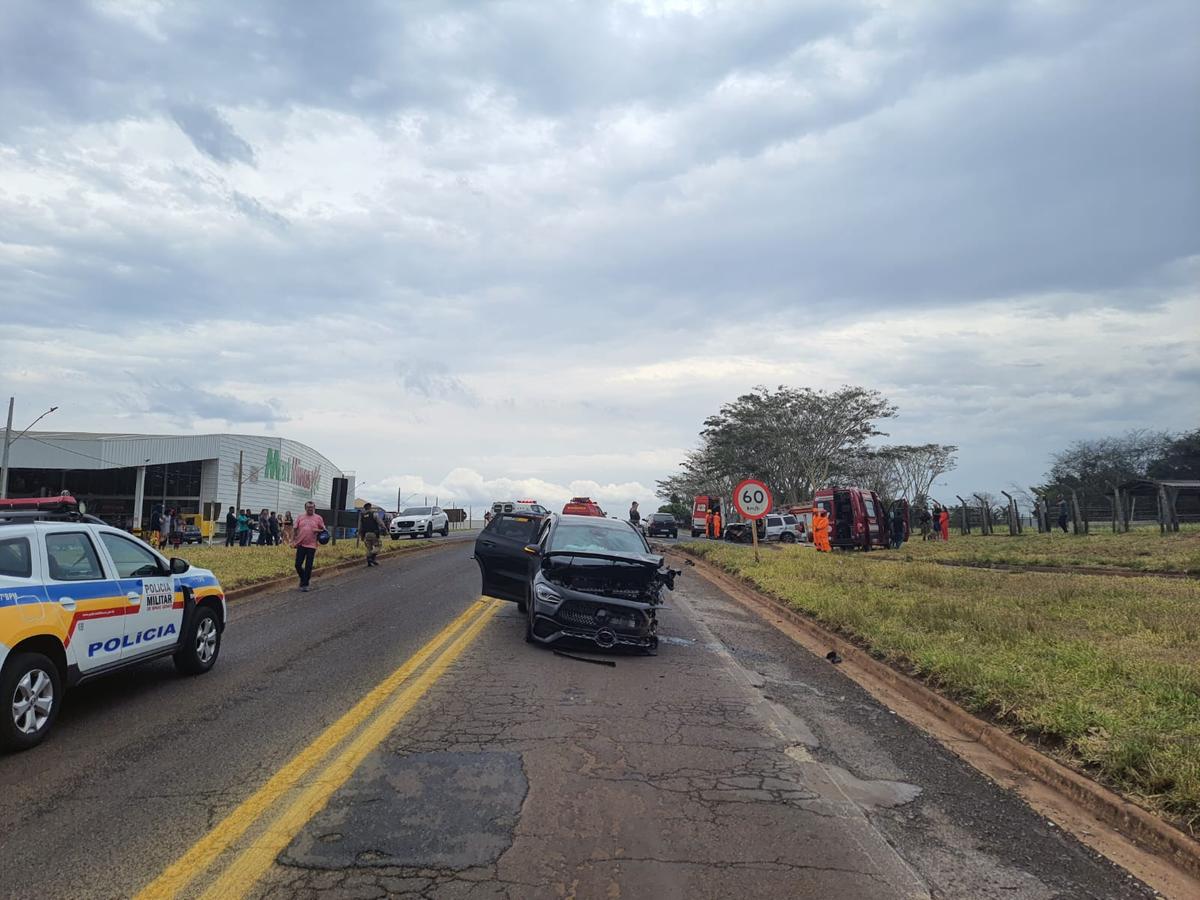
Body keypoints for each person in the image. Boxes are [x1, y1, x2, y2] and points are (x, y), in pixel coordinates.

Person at [292, 500, 326, 591]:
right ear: (305, 508)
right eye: (308, 507)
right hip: (301, 544)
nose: (310, 509)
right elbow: (295, 530)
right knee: (297, 564)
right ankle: (303, 578)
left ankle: (305, 584)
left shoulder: (318, 518)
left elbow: (324, 530)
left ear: (314, 508)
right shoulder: (300, 517)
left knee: (308, 565)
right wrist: (293, 541)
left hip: (312, 545)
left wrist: (317, 530)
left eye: (312, 507)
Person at [360, 502, 383, 566]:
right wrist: (385, 528)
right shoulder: (374, 514)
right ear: (370, 507)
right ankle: (371, 557)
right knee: (378, 546)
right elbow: (380, 522)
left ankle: (370, 562)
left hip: (366, 534)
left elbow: (361, 527)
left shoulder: (362, 516)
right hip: (374, 533)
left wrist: (361, 536)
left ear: (365, 508)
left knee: (369, 548)